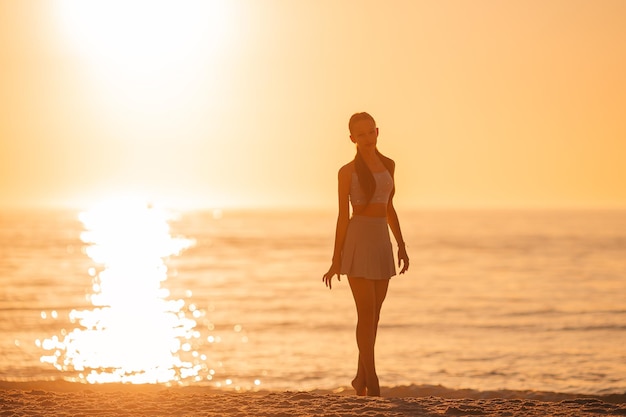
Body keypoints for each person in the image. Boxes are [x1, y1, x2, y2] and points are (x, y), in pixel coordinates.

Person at [322, 112, 409, 397]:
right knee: (366, 314)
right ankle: (373, 384)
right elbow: (342, 217)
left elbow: (389, 208)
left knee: (375, 317)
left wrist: (401, 244)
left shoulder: (389, 165)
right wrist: (336, 259)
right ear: (352, 139)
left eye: (371, 132)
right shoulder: (346, 172)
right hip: (358, 241)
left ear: (377, 132)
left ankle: (359, 379)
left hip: (381, 241)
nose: (367, 138)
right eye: (361, 135)